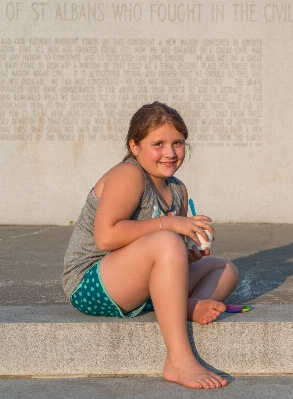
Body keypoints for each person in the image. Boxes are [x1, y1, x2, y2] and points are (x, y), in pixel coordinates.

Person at [62, 102, 239, 388]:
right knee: (168, 241)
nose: (170, 153)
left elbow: (165, 253)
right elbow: (105, 237)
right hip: (92, 281)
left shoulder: (178, 190)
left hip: (136, 281)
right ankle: (178, 361)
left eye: (178, 143)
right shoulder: (128, 175)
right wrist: (170, 226)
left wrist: (190, 254)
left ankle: (185, 306)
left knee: (225, 268)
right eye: (158, 143)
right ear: (135, 146)